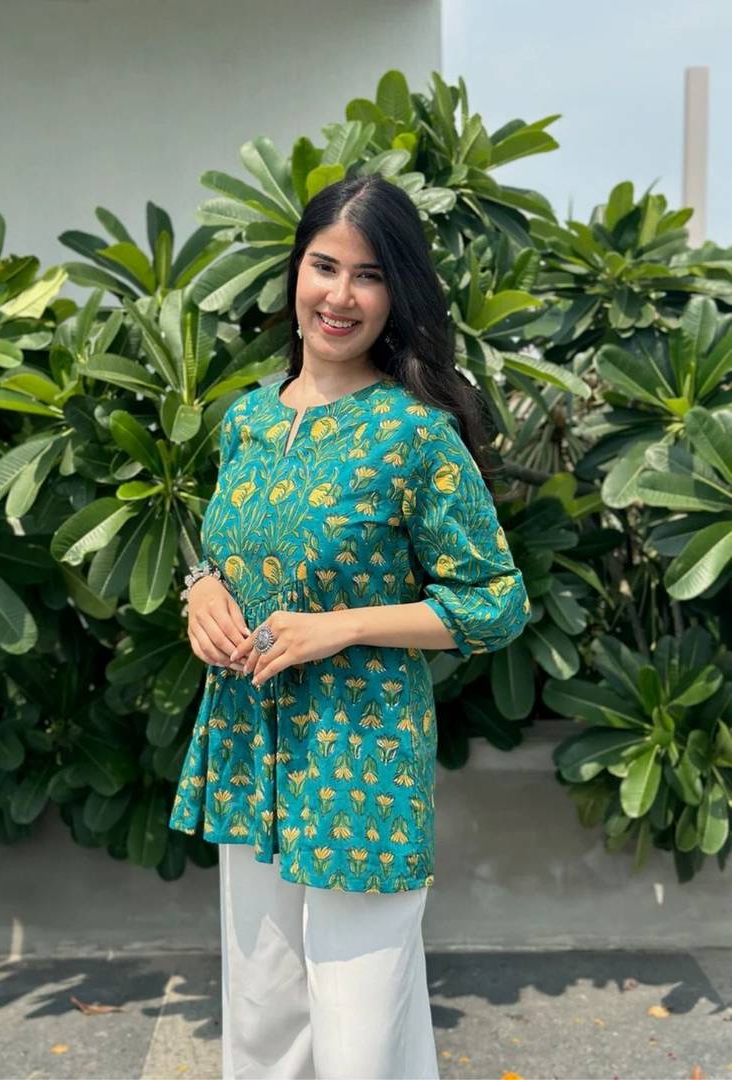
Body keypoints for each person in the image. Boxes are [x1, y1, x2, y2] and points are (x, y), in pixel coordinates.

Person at [170, 174, 531, 1079]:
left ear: (395, 294)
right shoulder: (247, 420)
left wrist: (342, 627)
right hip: (251, 748)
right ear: (295, 272)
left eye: (369, 275)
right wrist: (201, 590)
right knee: (262, 1022)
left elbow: (494, 600)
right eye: (324, 266)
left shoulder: (415, 435)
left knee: (359, 1037)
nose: (340, 295)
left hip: (361, 759)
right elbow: (232, 553)